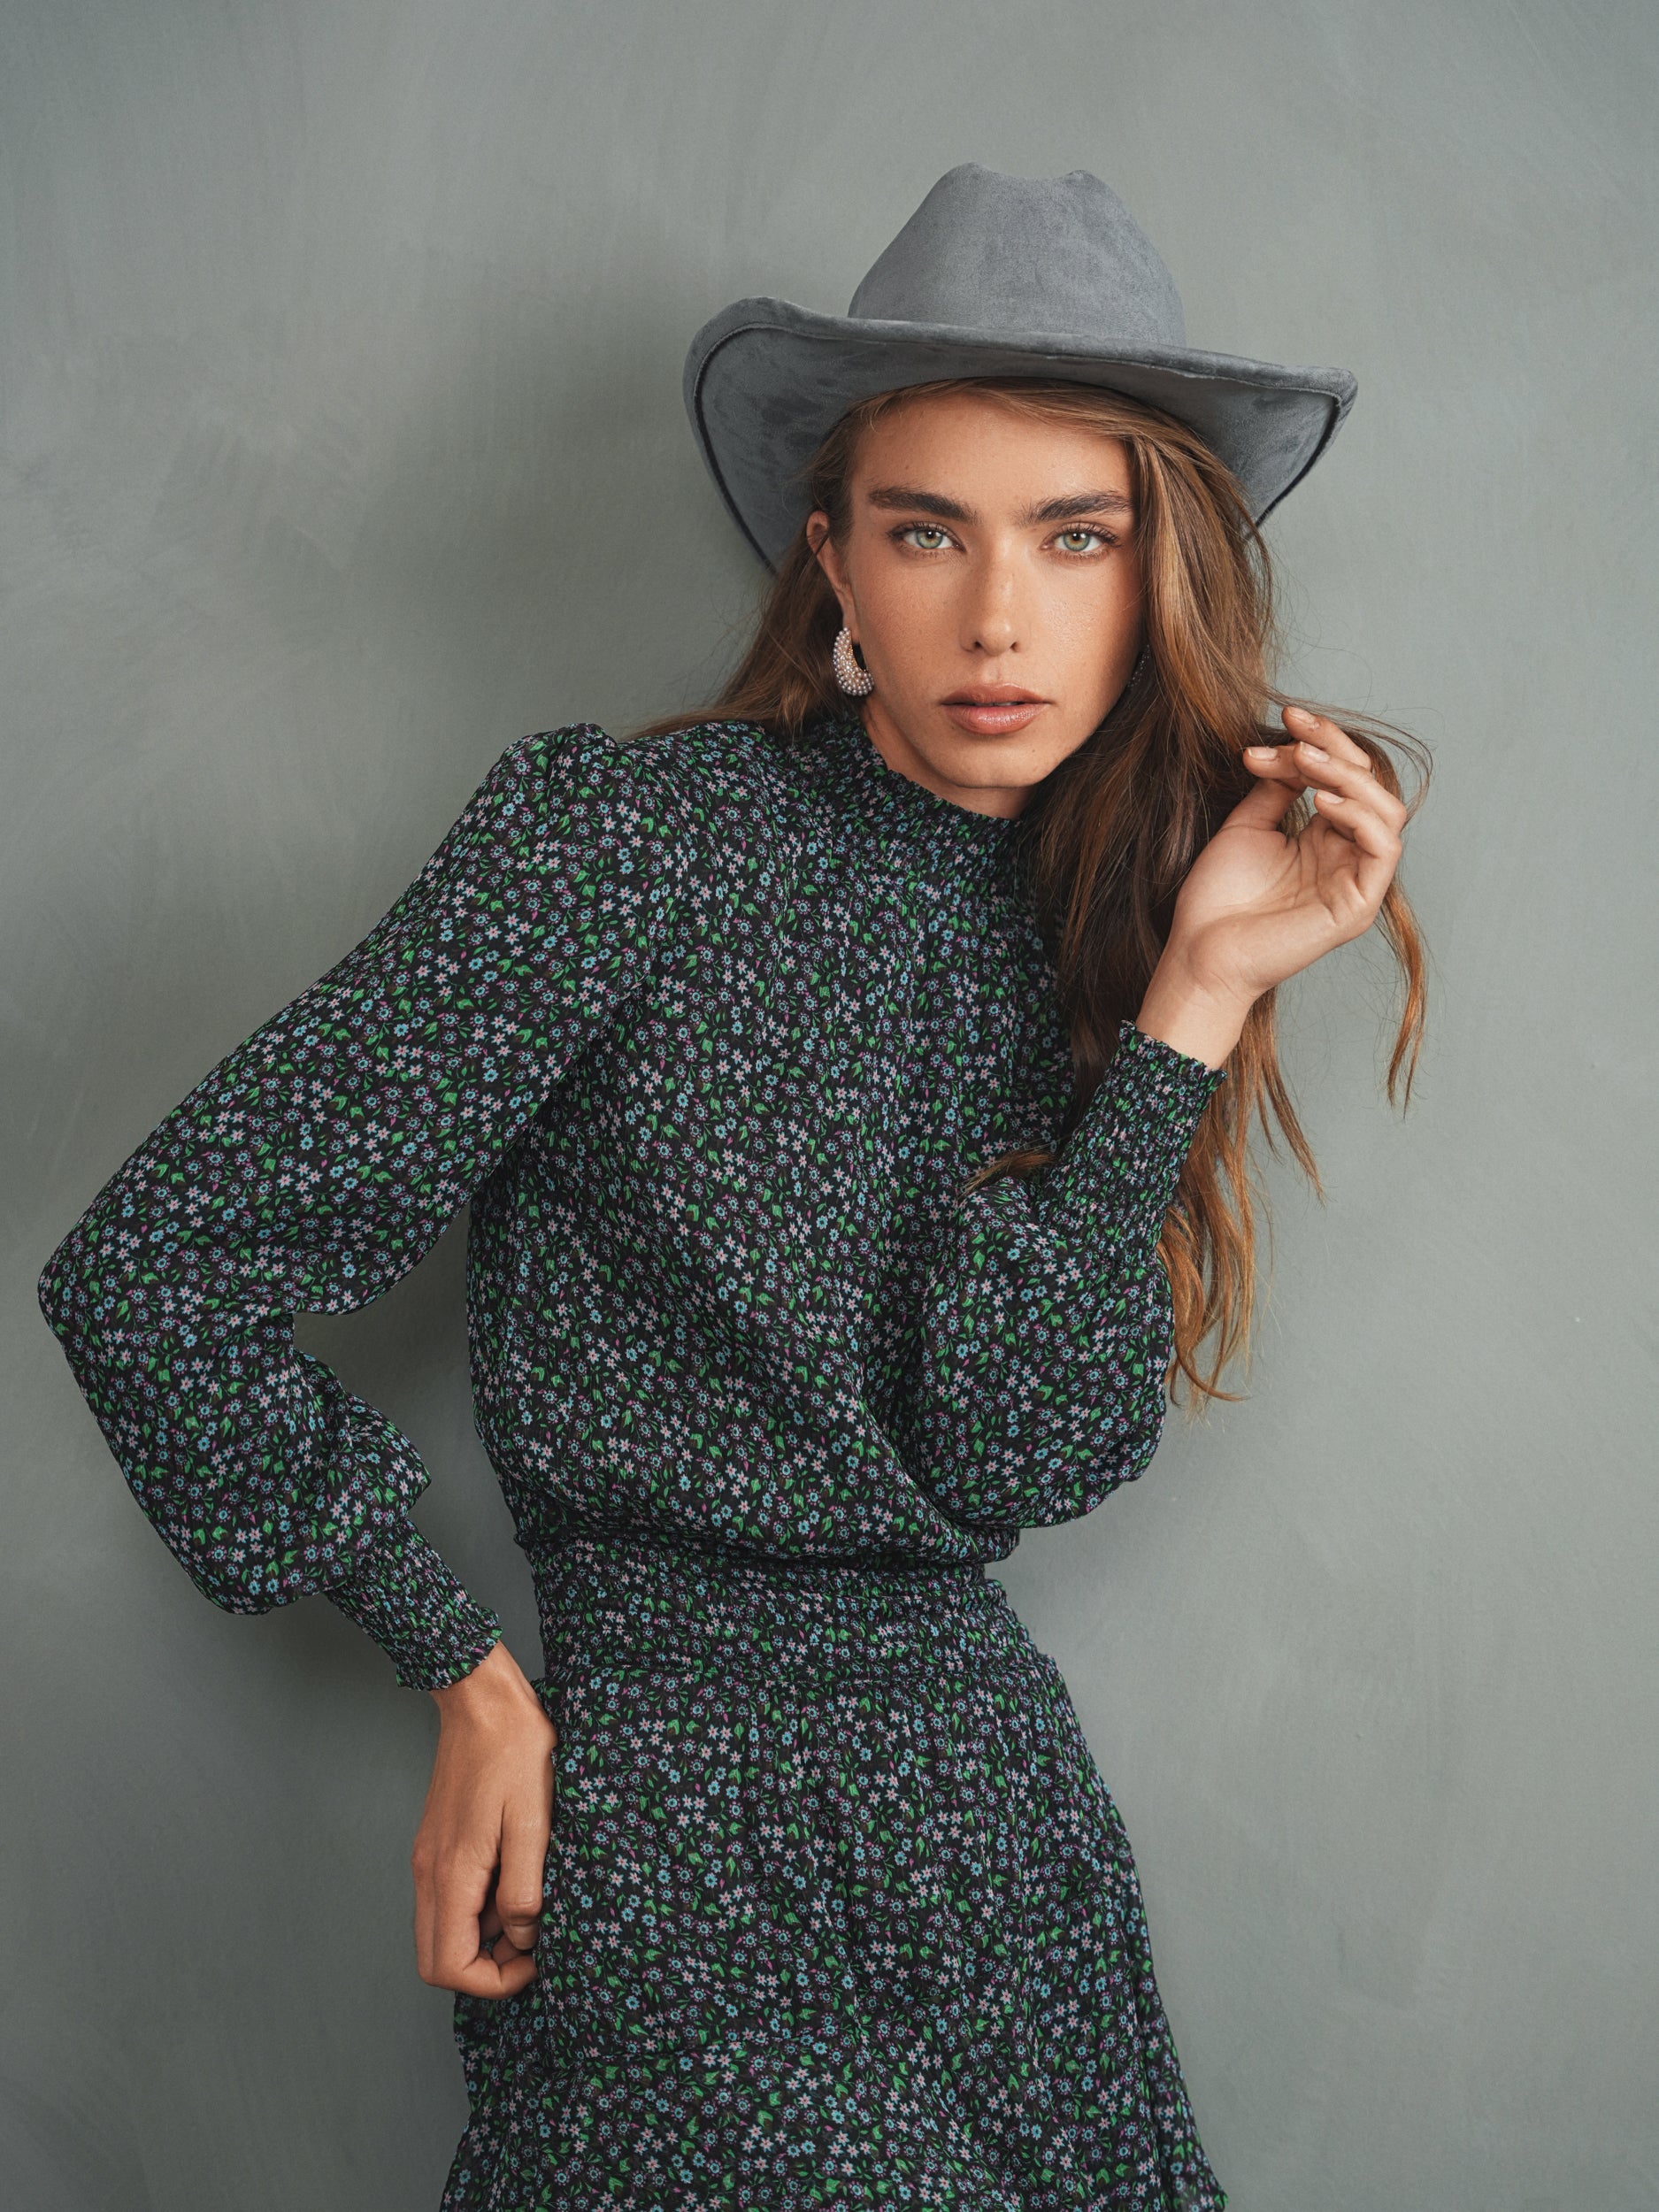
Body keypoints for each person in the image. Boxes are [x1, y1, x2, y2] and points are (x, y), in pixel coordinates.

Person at [37, 164, 1425, 2209]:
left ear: (1160, 577)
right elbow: (156, 1269)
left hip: (994, 1839)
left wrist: (1192, 1004)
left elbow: (1014, 1446)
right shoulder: (628, 843)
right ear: (829, 556)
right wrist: (462, 1668)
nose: (999, 615)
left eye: (1076, 535)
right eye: (926, 529)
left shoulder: (1112, 927)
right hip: (671, 1827)